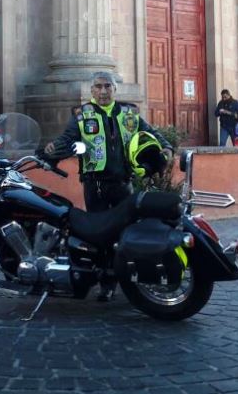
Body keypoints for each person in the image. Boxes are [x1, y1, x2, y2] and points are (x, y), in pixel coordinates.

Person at [44, 72, 171, 300]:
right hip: (96, 186)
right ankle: (106, 282)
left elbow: (151, 133)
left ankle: (127, 277)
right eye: (98, 87)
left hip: (123, 184)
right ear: (92, 90)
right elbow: (67, 139)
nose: (103, 91)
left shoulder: (129, 114)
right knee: (99, 237)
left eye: (107, 87)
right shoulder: (82, 116)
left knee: (126, 233)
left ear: (115, 89)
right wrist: (48, 152)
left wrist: (166, 146)